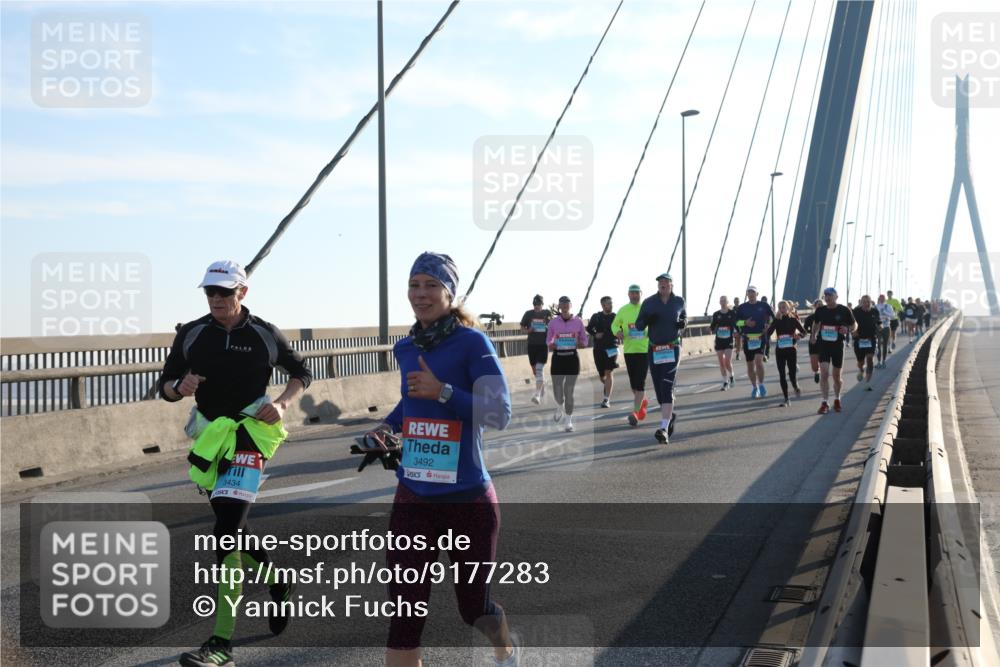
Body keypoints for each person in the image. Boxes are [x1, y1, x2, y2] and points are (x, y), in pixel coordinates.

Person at [363, 252, 516, 667]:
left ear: (449, 293)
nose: (421, 294)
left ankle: (505, 649)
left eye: (431, 285)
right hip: (414, 496)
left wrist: (444, 391)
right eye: (415, 284)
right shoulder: (406, 347)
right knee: (405, 613)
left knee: (475, 609)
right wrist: (385, 431)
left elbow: (499, 413)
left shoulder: (472, 343)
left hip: (468, 498)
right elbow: (410, 406)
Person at [160, 260, 312, 667]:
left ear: (242, 293)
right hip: (211, 438)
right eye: (210, 292)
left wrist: (281, 403)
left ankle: (221, 643)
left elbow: (302, 372)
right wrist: (180, 386)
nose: (216, 299)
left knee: (225, 530)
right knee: (236, 528)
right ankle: (278, 582)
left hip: (250, 435)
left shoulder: (264, 332)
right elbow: (166, 385)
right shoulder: (192, 334)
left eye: (224, 292)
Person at [634, 273, 686, 444]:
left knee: (667, 384)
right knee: (659, 389)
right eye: (660, 283)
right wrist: (648, 319)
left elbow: (684, 317)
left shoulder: (679, 301)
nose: (662, 284)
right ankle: (670, 416)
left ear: (671, 284)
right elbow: (639, 325)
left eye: (665, 282)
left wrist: (682, 323)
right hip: (655, 349)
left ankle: (663, 428)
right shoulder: (649, 303)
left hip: (672, 347)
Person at [810, 287, 857, 414]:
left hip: (837, 346)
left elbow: (854, 325)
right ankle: (824, 402)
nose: (827, 297)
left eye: (830, 295)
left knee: (837, 377)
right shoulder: (820, 310)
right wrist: (813, 335)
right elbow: (815, 323)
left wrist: (848, 329)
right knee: (824, 374)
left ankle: (837, 399)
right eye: (825, 295)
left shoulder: (844, 310)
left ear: (836, 296)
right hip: (823, 345)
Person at [547, 296, 588, 432]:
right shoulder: (553, 322)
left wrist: (580, 344)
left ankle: (568, 421)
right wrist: (551, 345)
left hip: (572, 359)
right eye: (562, 303)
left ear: (570, 305)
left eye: (567, 303)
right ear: (559, 306)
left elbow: (585, 341)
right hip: (558, 358)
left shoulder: (578, 322)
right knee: (557, 390)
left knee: (568, 391)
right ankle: (559, 405)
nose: (564, 306)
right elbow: (549, 340)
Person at [611, 284, 650, 426]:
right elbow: (614, 325)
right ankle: (643, 402)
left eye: (637, 293)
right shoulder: (623, 310)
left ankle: (635, 412)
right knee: (634, 385)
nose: (634, 295)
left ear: (641, 294)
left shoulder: (646, 309)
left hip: (644, 350)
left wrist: (649, 333)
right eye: (632, 293)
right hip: (629, 351)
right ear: (628, 295)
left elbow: (654, 325)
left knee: (640, 384)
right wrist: (617, 332)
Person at [735, 286, 775, 398]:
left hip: (760, 337)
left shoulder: (764, 305)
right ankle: (754, 387)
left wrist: (768, 326)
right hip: (747, 338)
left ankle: (761, 384)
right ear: (747, 294)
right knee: (750, 366)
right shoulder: (742, 307)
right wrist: (745, 323)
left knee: (758, 362)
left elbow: (773, 317)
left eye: (753, 292)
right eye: (749, 292)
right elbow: (736, 322)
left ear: (757, 294)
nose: (751, 294)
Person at [765, 300, 805, 406]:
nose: (782, 309)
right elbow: (768, 333)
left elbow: (804, 332)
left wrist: (799, 336)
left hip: (791, 350)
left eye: (784, 307)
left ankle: (795, 386)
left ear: (788, 308)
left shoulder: (793, 319)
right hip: (780, 350)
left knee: (792, 374)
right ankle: (786, 399)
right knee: (782, 375)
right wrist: (772, 323)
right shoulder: (777, 320)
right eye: (780, 307)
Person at [586, 296, 619, 408]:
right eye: (608, 303)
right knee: (602, 376)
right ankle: (609, 386)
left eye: (611, 303)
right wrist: (595, 334)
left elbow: (622, 328)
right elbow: (589, 328)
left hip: (612, 348)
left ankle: (606, 399)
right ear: (603, 305)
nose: (611, 305)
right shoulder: (596, 317)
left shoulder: (616, 317)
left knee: (609, 372)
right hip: (598, 349)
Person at [520, 295, 552, 404]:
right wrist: (529, 330)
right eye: (535, 305)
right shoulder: (528, 314)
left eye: (539, 305)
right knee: (535, 371)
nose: (537, 307)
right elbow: (521, 328)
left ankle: (537, 395)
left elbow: (553, 326)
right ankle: (543, 383)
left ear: (542, 304)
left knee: (539, 369)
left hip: (543, 345)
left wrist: (548, 328)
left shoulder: (547, 313)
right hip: (532, 345)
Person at [852, 295, 881, 390]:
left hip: (871, 339)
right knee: (860, 361)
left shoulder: (875, 311)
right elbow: (850, 323)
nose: (866, 303)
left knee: (870, 360)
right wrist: (853, 331)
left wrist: (880, 328)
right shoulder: (855, 312)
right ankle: (861, 370)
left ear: (871, 302)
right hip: (859, 339)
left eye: (868, 301)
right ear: (861, 302)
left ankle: (867, 382)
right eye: (864, 302)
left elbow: (878, 322)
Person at [710, 295, 738, 390]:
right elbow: (713, 326)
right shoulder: (716, 314)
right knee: (721, 363)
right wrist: (710, 329)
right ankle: (725, 382)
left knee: (727, 362)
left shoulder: (732, 313)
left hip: (729, 340)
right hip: (719, 340)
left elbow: (736, 324)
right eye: (721, 300)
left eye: (724, 301)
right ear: (719, 302)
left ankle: (732, 375)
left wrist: (738, 332)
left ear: (727, 302)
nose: (722, 302)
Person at [803, 299, 824, 383]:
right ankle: (817, 372)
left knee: (824, 362)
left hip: (825, 342)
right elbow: (805, 330)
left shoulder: (827, 316)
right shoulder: (809, 318)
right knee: (814, 366)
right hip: (813, 341)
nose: (819, 306)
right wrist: (807, 333)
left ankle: (824, 375)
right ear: (814, 306)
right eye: (817, 305)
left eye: (821, 305)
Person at [875, 294, 894, 368]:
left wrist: (885, 313)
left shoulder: (888, 306)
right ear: (879, 298)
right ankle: (879, 362)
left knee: (885, 345)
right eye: (880, 298)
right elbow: (874, 316)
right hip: (878, 327)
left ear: (885, 299)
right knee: (878, 345)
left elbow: (892, 315)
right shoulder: (876, 307)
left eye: (883, 298)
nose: (882, 299)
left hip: (886, 327)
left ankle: (884, 361)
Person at [760, 296, 771, 361]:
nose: (763, 301)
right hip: (761, 326)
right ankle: (763, 355)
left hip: (767, 326)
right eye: (763, 300)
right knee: (763, 341)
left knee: (767, 341)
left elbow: (772, 316)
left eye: (765, 300)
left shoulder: (769, 307)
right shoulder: (758, 308)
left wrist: (770, 325)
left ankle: (766, 354)